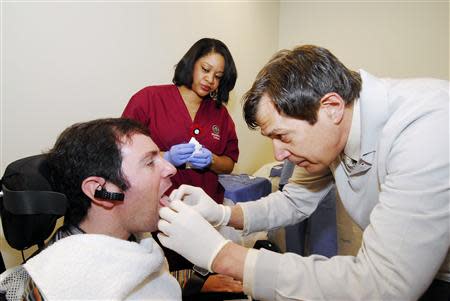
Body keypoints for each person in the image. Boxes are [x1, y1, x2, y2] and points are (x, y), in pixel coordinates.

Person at [157, 45, 450, 300]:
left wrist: (223, 255)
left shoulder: (428, 128)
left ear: (331, 107)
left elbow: (383, 286)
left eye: (283, 136)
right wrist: (222, 214)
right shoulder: (332, 133)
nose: (278, 155)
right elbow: (293, 200)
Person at [0, 118, 182, 300]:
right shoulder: (55, 288)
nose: (171, 168)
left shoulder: (134, 239)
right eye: (150, 162)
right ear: (100, 191)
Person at [122, 38, 242, 295]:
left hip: (203, 214)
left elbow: (229, 163)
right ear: (191, 64)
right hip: (158, 212)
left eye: (218, 76)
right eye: (205, 69)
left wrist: (211, 160)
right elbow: (123, 154)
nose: (210, 80)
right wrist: (164, 157)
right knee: (165, 283)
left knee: (207, 280)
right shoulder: (149, 99)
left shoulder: (219, 113)